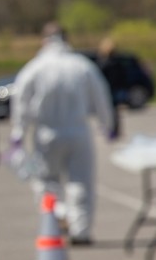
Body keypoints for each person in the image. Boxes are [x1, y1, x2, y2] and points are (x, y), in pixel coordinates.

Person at [10, 23, 115, 245]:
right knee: (81, 182)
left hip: (46, 132)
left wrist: (18, 132)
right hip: (78, 131)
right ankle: (81, 230)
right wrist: (107, 125)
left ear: (44, 40)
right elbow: (101, 97)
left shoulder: (35, 68)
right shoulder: (81, 66)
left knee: (46, 181)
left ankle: (56, 216)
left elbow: (20, 101)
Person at [94, 37, 126, 138]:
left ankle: (109, 129)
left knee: (108, 110)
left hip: (108, 89)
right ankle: (112, 129)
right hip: (113, 89)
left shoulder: (105, 62)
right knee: (113, 110)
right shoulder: (115, 62)